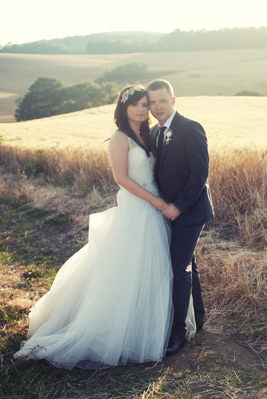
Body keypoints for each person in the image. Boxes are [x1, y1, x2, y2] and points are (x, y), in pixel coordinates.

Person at [14, 85, 175, 369]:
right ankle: (110, 330)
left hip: (153, 206)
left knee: (152, 267)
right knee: (126, 268)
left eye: (143, 104)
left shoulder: (148, 135)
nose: (141, 109)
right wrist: (155, 201)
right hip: (139, 207)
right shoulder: (119, 138)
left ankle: (145, 327)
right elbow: (122, 179)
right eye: (135, 105)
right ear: (123, 109)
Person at [147, 79, 214, 355]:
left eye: (163, 101)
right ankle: (198, 319)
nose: (157, 107)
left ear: (173, 101)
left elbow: (200, 173)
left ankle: (178, 332)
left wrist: (179, 206)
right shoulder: (153, 133)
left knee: (177, 268)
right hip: (167, 212)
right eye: (152, 103)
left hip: (190, 210)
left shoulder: (190, 128)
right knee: (189, 266)